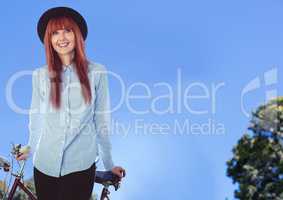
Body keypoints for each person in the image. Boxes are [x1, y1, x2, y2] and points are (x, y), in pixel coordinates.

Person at [16, 6, 125, 200]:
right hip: (44, 166)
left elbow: (102, 122)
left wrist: (109, 165)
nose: (62, 37)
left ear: (77, 35)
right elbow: (36, 118)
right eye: (55, 33)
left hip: (80, 167)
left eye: (67, 30)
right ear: (49, 40)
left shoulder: (97, 72)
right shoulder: (40, 75)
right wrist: (29, 148)